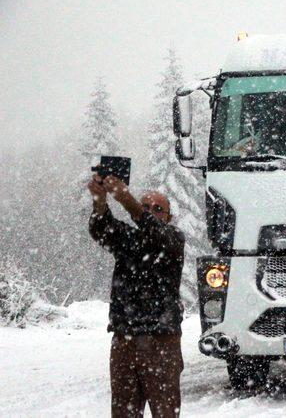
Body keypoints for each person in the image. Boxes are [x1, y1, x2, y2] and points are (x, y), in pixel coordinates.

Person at [87, 174, 185, 418]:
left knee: (165, 413)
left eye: (158, 209)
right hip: (124, 340)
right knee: (123, 413)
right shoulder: (129, 240)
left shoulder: (173, 239)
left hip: (161, 340)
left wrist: (126, 199)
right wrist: (100, 200)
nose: (151, 212)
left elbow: (156, 232)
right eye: (146, 207)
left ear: (168, 217)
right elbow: (102, 228)